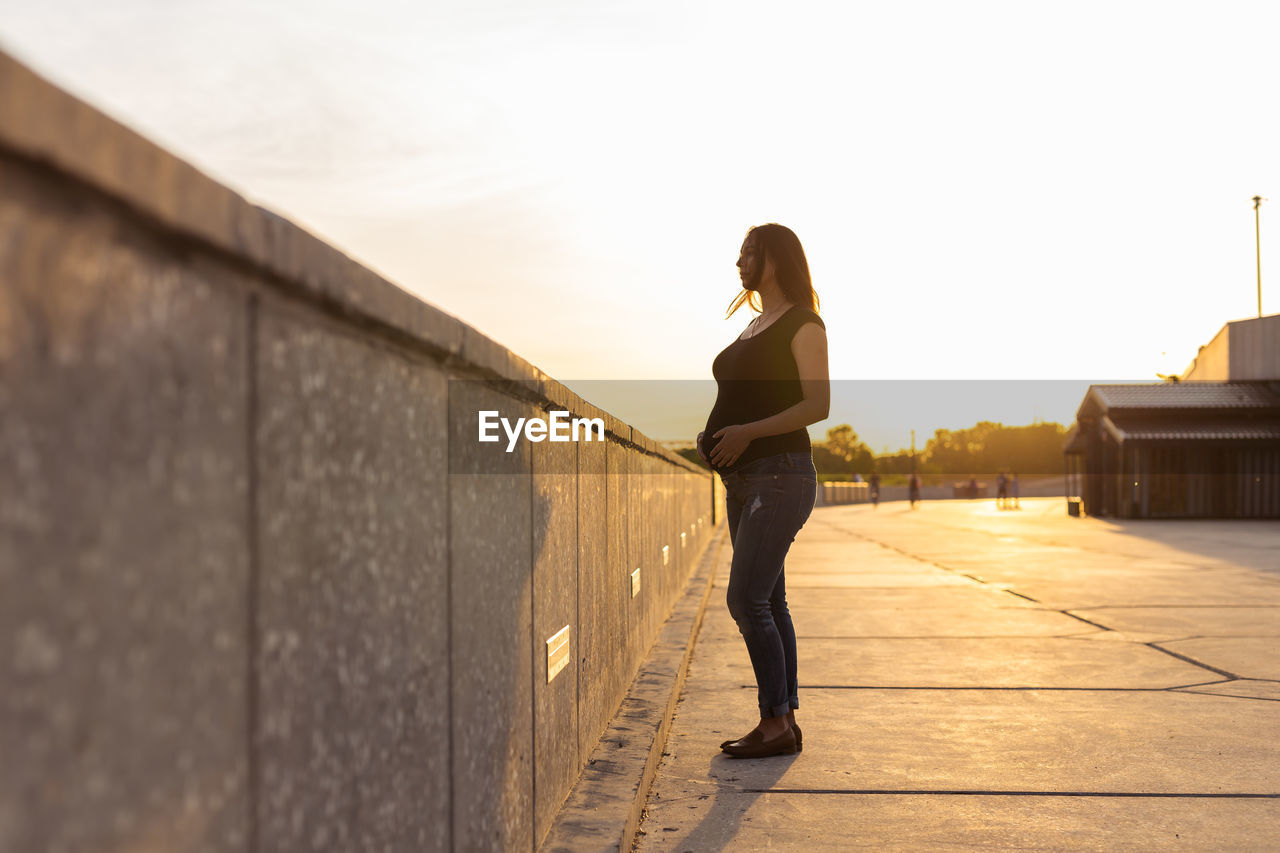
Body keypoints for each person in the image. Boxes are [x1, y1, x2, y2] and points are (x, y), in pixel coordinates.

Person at [696, 223, 828, 759]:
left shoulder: (804, 323)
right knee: (770, 599)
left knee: (746, 599)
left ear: (775, 259)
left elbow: (817, 407)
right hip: (744, 479)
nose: (740, 262)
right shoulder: (755, 324)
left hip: (781, 475)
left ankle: (774, 723)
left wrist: (746, 432)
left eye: (749, 252)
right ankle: (783, 721)